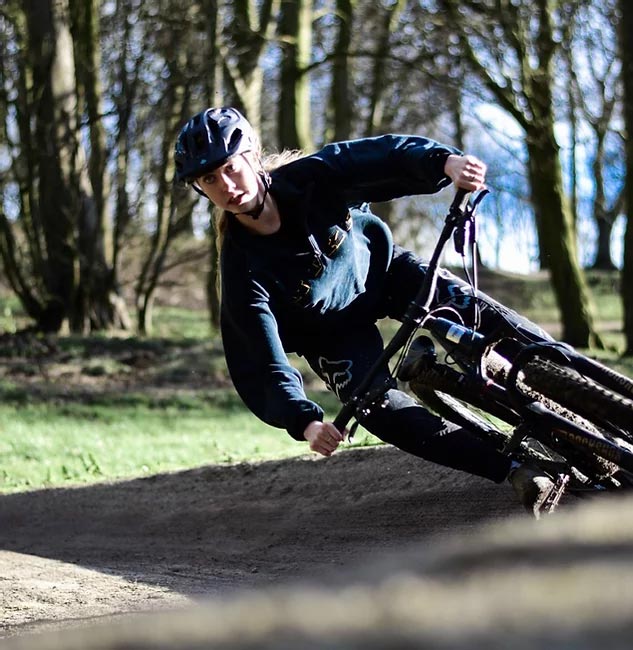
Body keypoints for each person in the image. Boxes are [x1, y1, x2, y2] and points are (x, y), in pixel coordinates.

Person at [174, 106, 558, 518]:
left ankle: (583, 389)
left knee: (491, 319)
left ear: (251, 156)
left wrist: (443, 163)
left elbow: (379, 156)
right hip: (330, 336)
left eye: (231, 168)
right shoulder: (241, 268)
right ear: (200, 189)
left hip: (386, 273)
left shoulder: (311, 178)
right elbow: (258, 357)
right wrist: (304, 421)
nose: (226, 185)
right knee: (381, 412)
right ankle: (514, 469)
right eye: (209, 179)